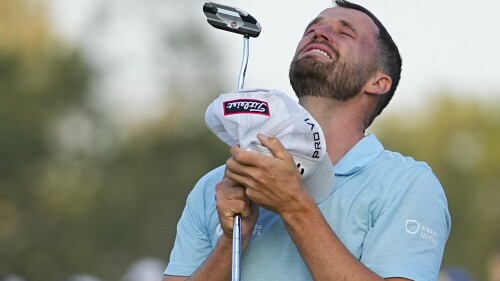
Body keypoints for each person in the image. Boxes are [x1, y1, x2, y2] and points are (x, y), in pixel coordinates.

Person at [164, 1, 451, 280]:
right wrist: (231, 242)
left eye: (345, 31)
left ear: (378, 82)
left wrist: (293, 205)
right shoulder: (217, 185)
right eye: (312, 28)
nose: (320, 32)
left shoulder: (407, 184)